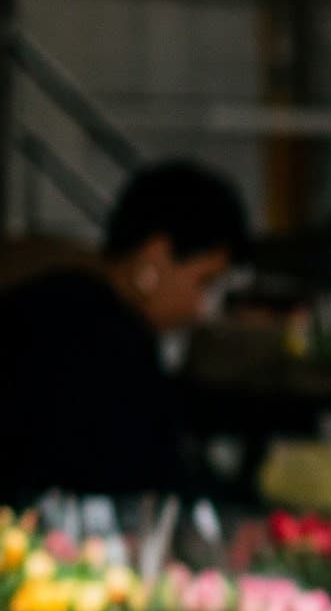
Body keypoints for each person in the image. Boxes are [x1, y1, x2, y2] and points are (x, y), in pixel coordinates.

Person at [0, 158, 248, 509]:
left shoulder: (52, 300)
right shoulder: (107, 339)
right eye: (203, 282)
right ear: (156, 257)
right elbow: (143, 472)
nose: (202, 308)